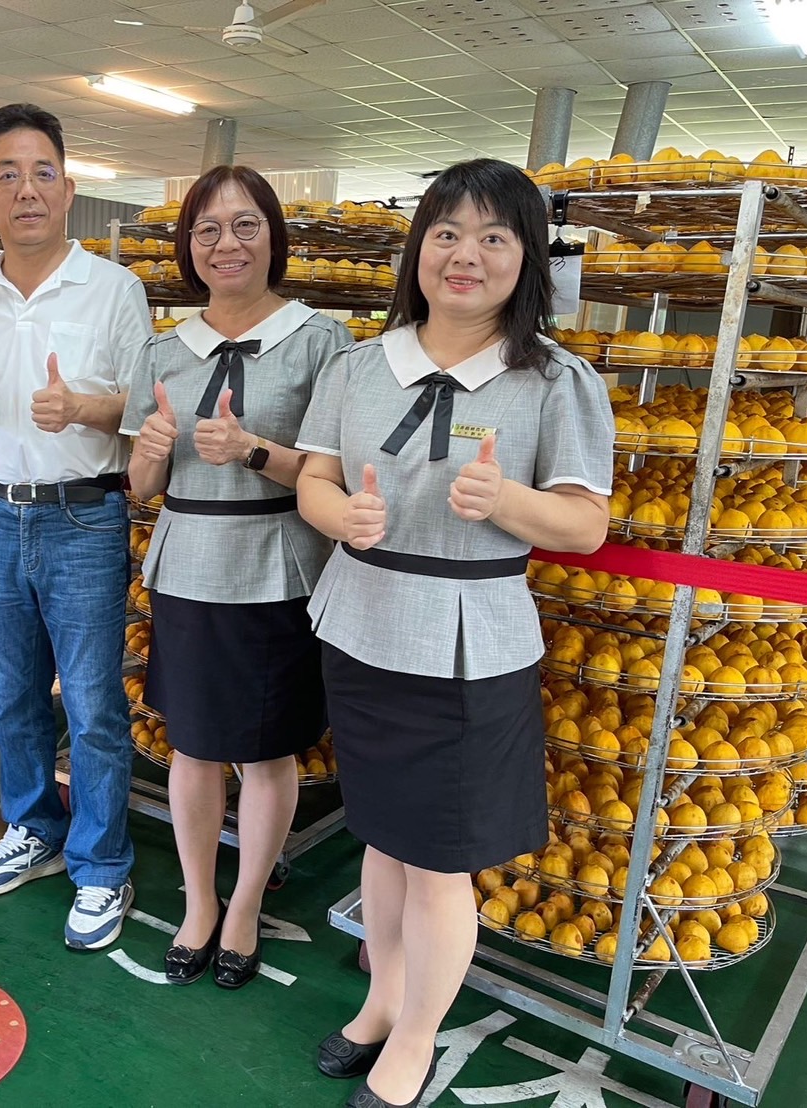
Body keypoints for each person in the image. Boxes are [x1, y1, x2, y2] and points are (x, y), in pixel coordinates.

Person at [294, 158, 613, 1107]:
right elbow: (313, 478)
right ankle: (384, 1000)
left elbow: (586, 525)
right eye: (445, 233)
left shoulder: (555, 381)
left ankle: (416, 1039)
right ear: (418, 249)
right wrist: (339, 516)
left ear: (527, 259)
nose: (464, 255)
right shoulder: (359, 366)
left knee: (439, 861)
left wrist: (508, 500)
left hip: (469, 644)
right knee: (382, 837)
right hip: (362, 626)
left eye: (493, 237)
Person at [122, 166, 350, 988]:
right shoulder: (162, 350)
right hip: (188, 566)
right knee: (191, 747)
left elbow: (333, 471)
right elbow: (140, 484)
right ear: (189, 245)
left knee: (266, 751)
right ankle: (199, 903)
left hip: (278, 569)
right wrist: (151, 454)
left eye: (246, 224)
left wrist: (253, 450)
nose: (227, 243)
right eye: (208, 228)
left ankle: (246, 905)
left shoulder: (321, 342)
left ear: (273, 236)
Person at [0, 103, 152, 950]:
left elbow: (145, 410)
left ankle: (101, 863)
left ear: (68, 188)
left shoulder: (114, 289)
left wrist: (84, 408)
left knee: (93, 705)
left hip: (83, 517)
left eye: (43, 173)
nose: (27, 190)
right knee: (15, 696)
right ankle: (34, 829)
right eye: (8, 175)